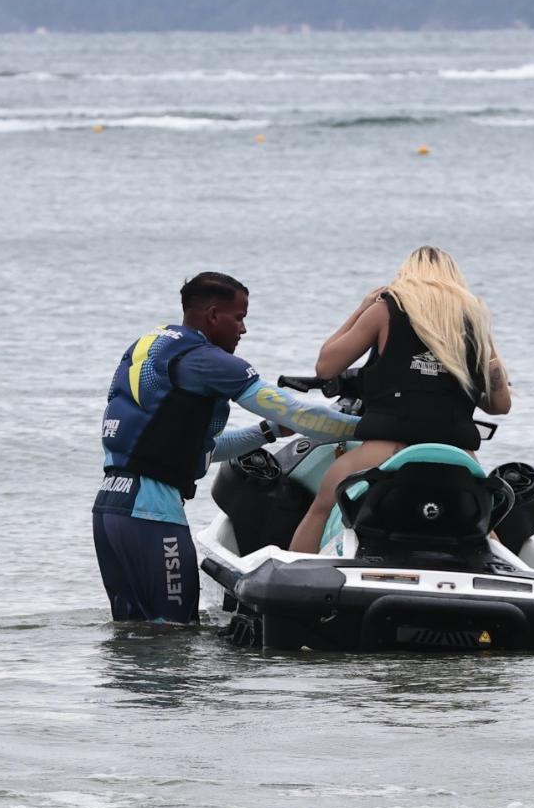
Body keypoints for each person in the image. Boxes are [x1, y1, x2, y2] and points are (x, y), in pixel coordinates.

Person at [93, 271, 359, 623]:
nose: (243, 330)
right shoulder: (209, 361)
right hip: (151, 513)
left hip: (111, 508)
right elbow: (297, 413)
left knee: (132, 633)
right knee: (176, 632)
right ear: (213, 315)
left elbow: (197, 451)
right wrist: (371, 426)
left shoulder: (155, 346)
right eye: (239, 318)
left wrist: (266, 432)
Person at [289, 246, 512, 554]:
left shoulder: (386, 309)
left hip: (386, 450)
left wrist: (361, 309)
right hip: (458, 456)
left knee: (323, 505)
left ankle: (298, 579)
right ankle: (507, 573)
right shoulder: (471, 319)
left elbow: (326, 366)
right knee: (484, 524)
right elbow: (500, 405)